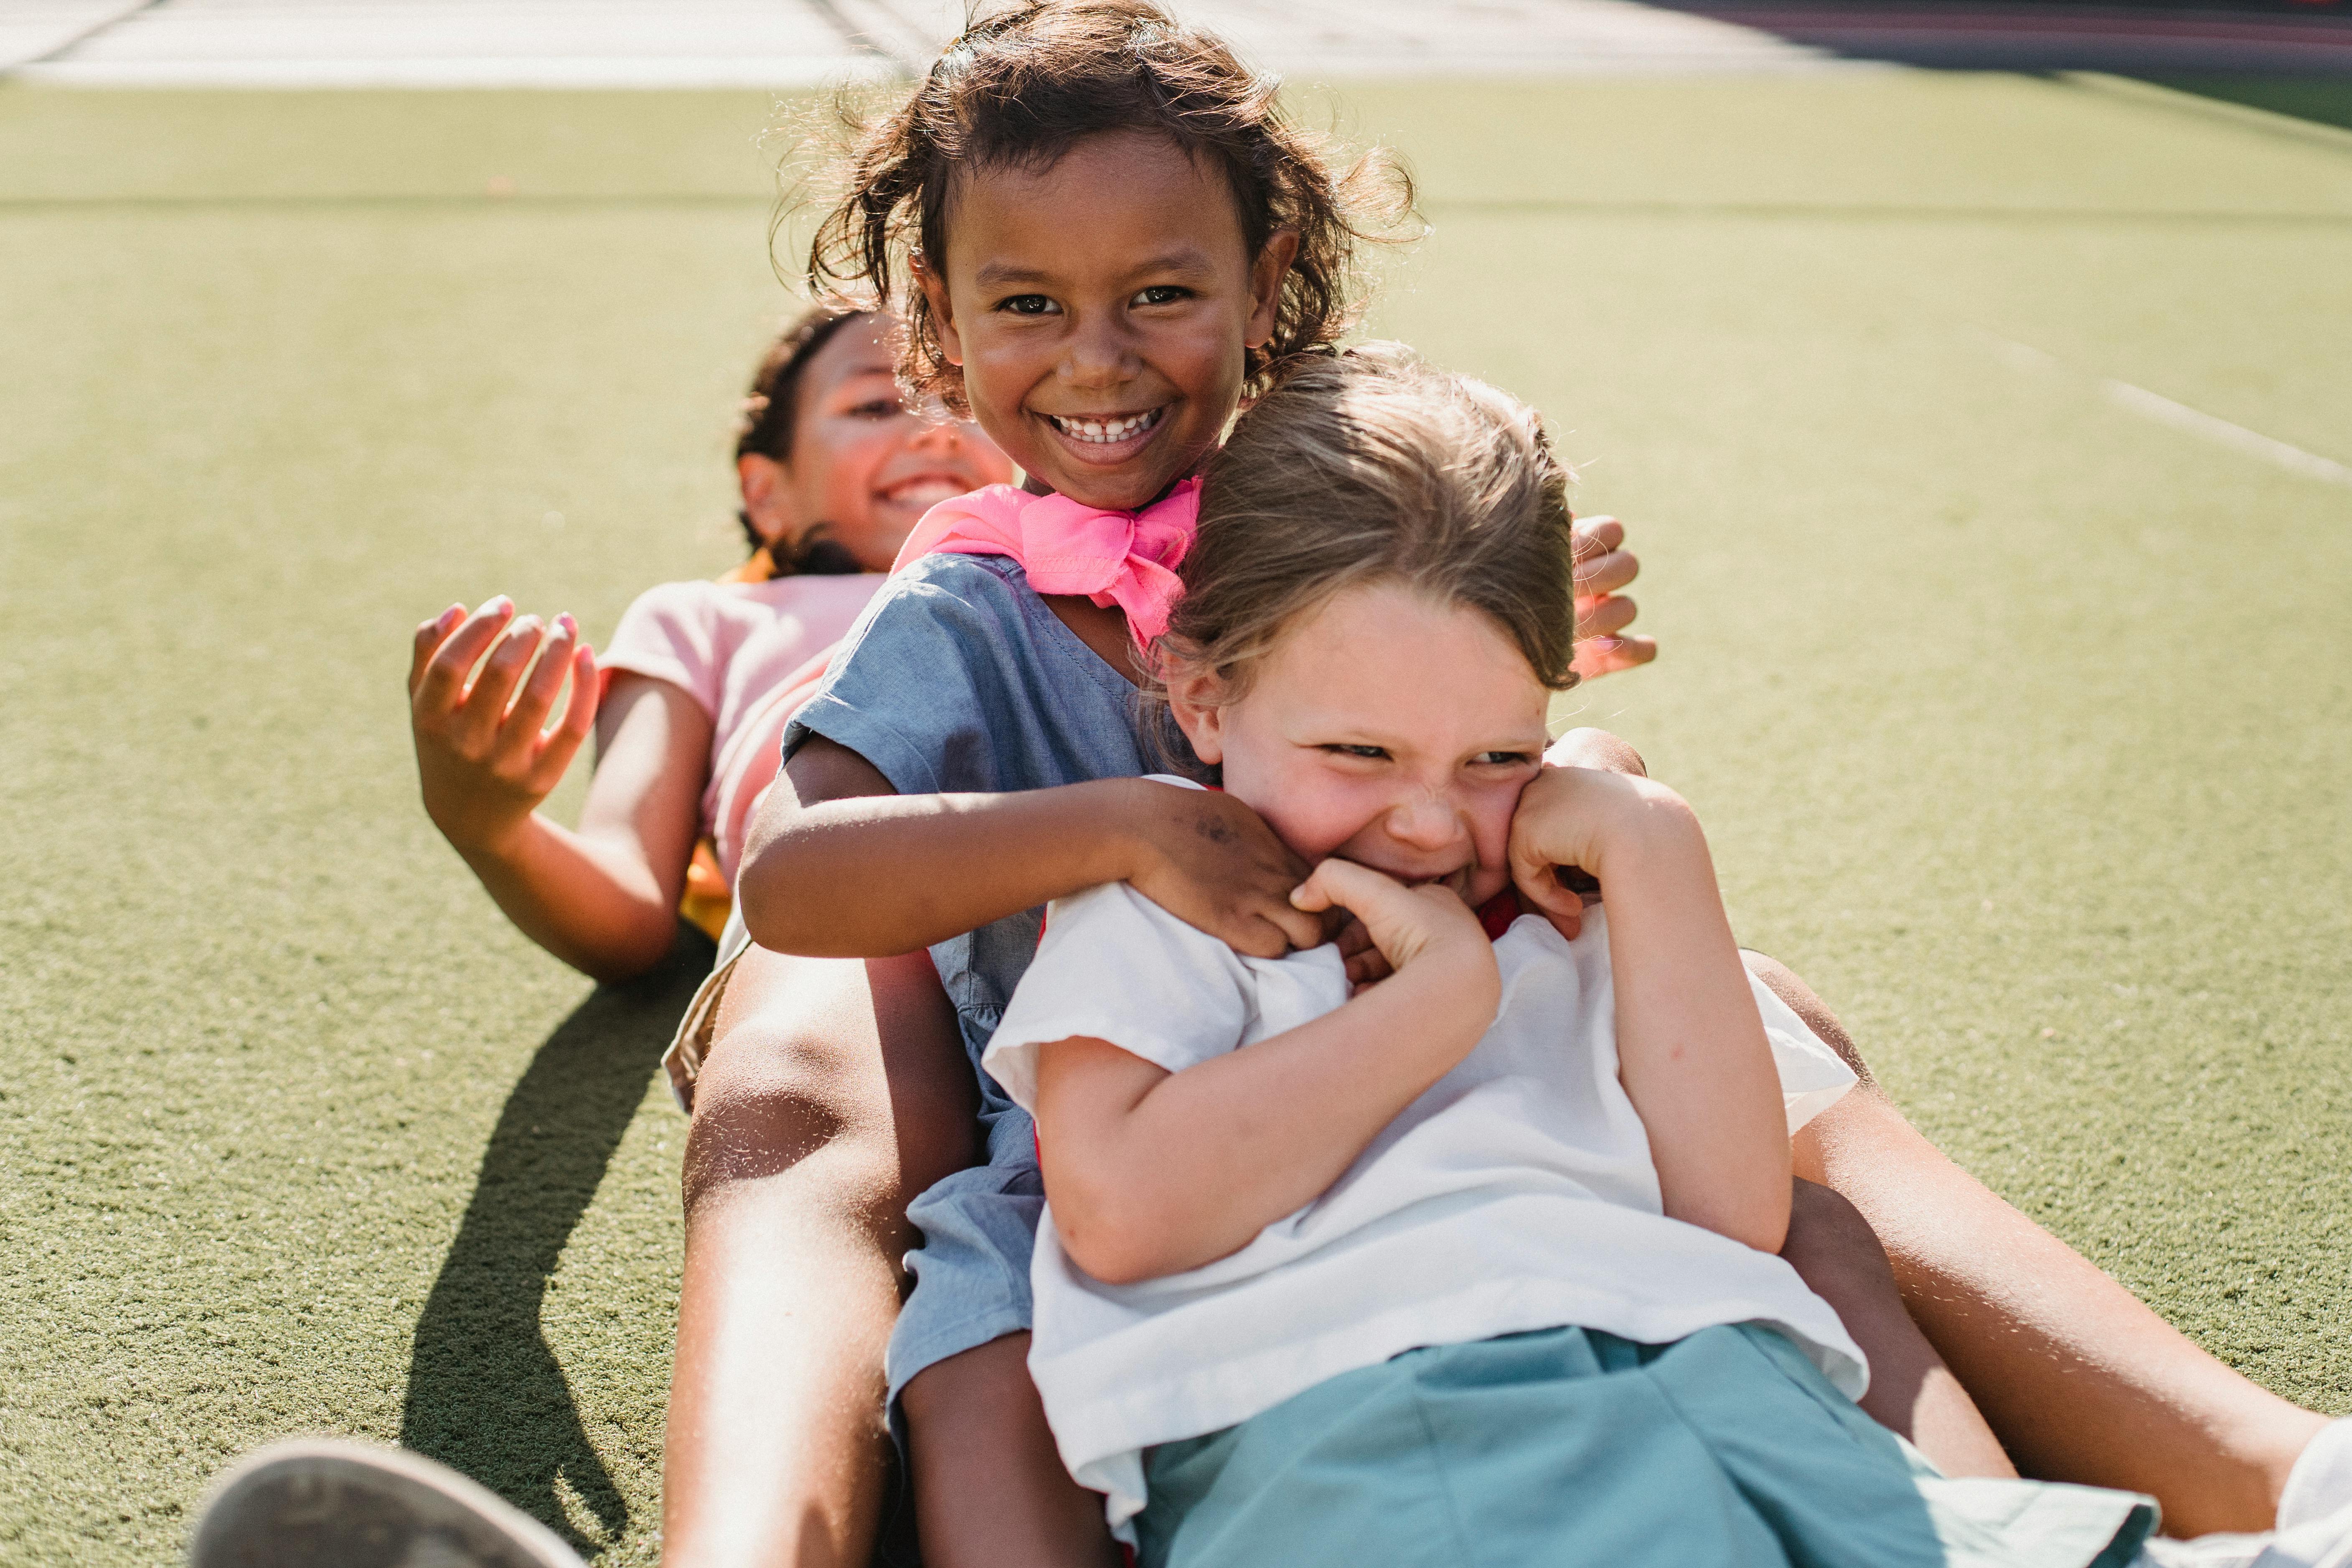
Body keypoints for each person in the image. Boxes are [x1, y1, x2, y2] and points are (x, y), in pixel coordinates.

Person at [685, 5, 2347, 1567]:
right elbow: (800, 878)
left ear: (1263, 285)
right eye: (1029, 303)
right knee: (979, 1348)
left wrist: (1493, 663)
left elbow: (1505, 723)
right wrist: (1124, 823)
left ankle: (2085, 1494)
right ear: (935, 314)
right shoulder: (968, 598)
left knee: (1800, 1193)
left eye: (1162, 295)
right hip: (1131, 1104)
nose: (1098, 359)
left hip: (1457, 1052)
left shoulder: (1338, 483)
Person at [987, 345, 2352, 1568]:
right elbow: (1126, 1212)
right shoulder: (1182, 902)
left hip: (1734, 1388)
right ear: (1207, 697)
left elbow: (1730, 1209)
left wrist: (1651, 845)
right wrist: (1439, 1001)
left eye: (1495, 757)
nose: (1426, 818)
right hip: (1388, 1426)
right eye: (1360, 753)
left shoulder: (1567, 892)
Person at [404, 307, 1011, 1004]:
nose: (935, 428)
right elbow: (629, 911)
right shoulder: (702, 620)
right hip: (836, 943)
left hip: (1063, 889)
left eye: (964, 400)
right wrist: (487, 827)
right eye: (876, 404)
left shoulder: (1078, 583)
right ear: (767, 493)